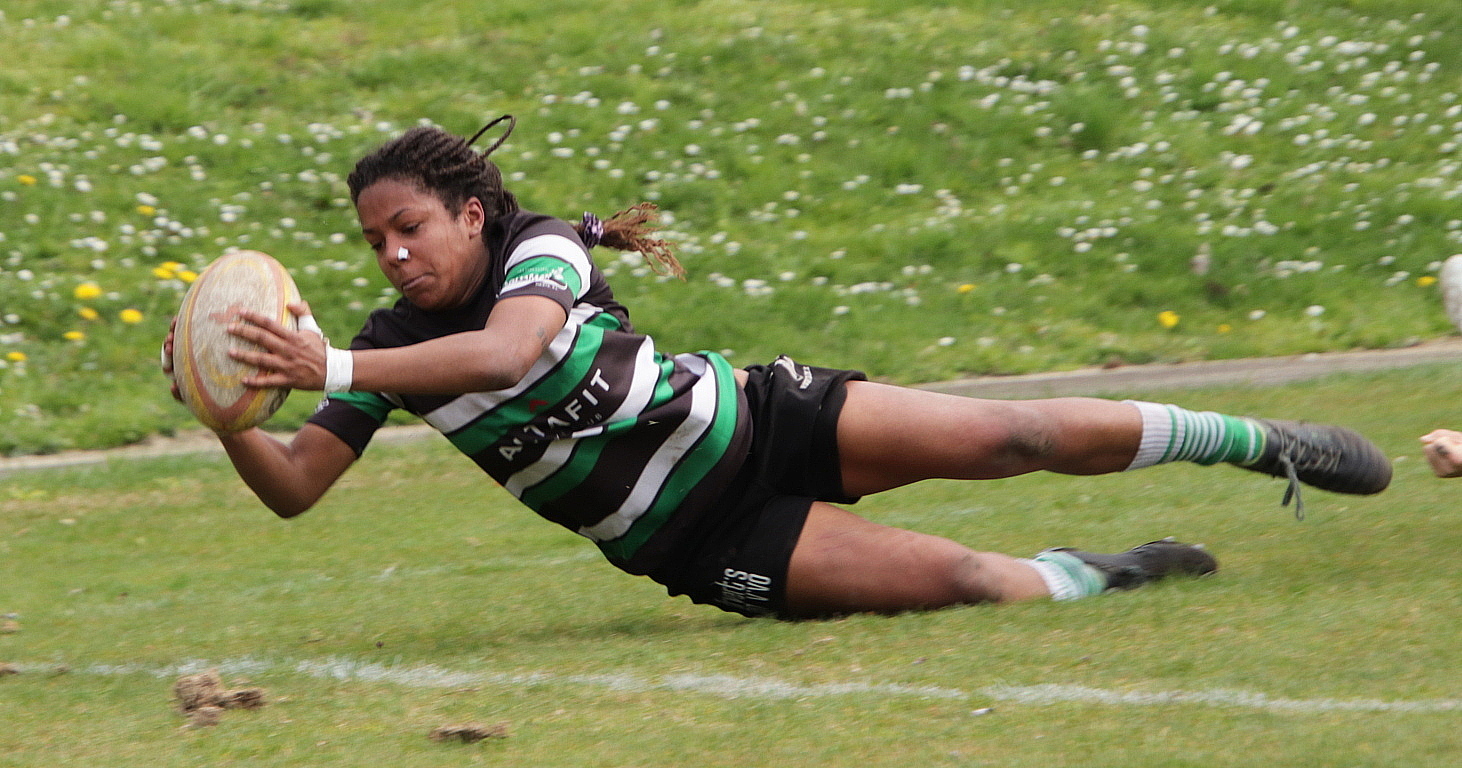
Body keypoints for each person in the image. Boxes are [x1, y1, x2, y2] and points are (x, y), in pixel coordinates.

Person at [165, 117, 1393, 620]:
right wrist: (232, 416)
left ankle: (1261, 443)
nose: (389, 255)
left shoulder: (537, 252)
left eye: (408, 230)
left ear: (473, 217)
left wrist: (327, 356)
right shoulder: (377, 354)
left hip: (765, 419)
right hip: (700, 537)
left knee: (1010, 438)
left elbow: (513, 350)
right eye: (373, 242)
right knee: (973, 583)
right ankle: (1107, 574)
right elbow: (296, 488)